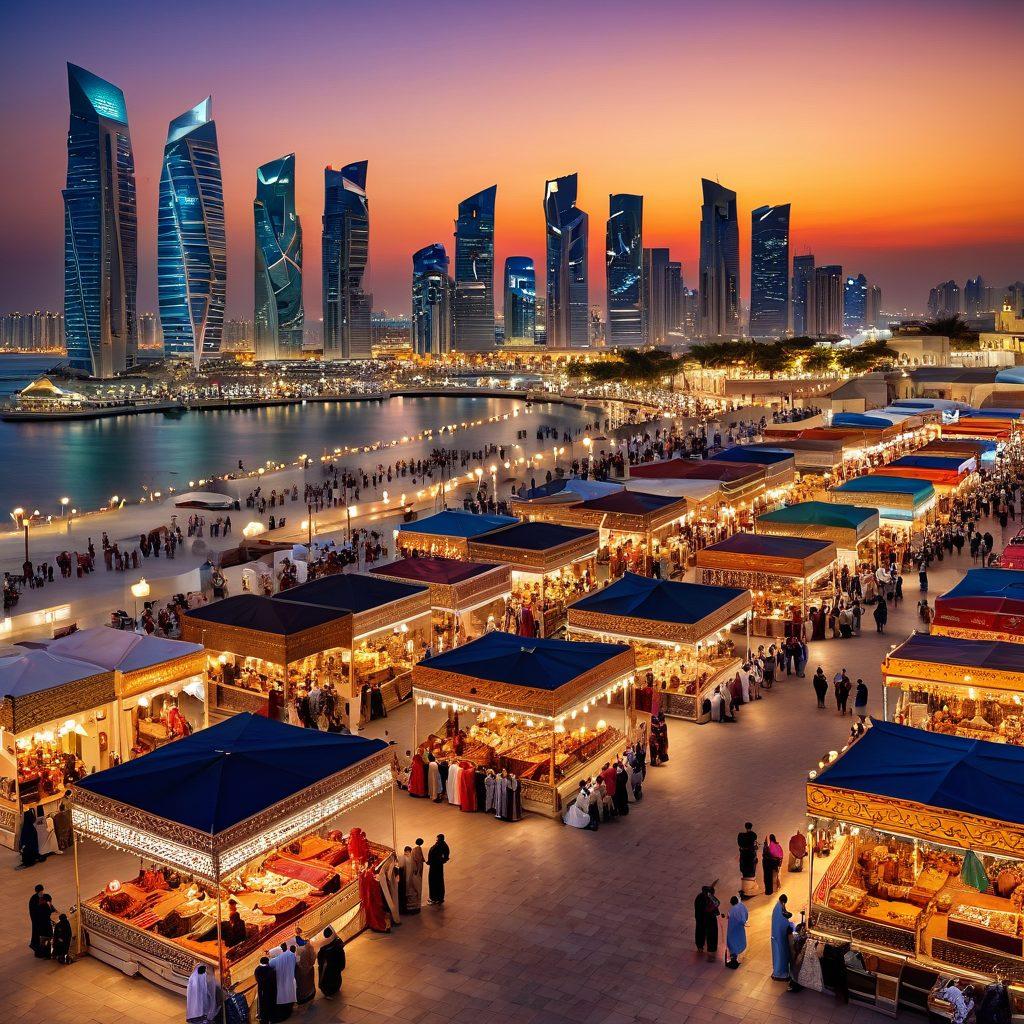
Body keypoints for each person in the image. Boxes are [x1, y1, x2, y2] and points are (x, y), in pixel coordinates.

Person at [316, 927, 346, 999]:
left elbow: (320, 958)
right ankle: (335, 989)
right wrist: (342, 965)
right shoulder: (338, 943)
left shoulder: (323, 947)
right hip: (336, 966)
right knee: (336, 977)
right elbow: (342, 955)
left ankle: (328, 992)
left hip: (327, 968)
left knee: (327, 980)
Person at [771, 894, 795, 981]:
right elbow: (781, 920)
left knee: (781, 953)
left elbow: (784, 914)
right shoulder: (779, 907)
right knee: (779, 954)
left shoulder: (779, 905)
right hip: (778, 936)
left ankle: (780, 971)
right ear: (783, 901)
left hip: (778, 935)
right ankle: (778, 974)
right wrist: (787, 924)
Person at [271, 942, 297, 1019]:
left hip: (281, 982)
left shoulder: (274, 961)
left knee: (283, 996)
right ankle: (289, 1008)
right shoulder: (291, 955)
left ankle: (286, 1011)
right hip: (290, 980)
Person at [726, 895, 749, 968]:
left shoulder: (732, 910)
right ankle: (734, 959)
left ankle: (733, 961)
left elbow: (729, 919)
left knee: (732, 944)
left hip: (732, 929)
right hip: (739, 929)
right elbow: (745, 916)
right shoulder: (742, 906)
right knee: (738, 942)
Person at [427, 833, 450, 905]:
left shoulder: (438, 846)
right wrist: (442, 861)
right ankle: (440, 898)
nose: (436, 840)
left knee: (433, 881)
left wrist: (430, 862)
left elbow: (432, 854)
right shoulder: (444, 845)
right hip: (438, 866)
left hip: (434, 866)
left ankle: (433, 898)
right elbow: (446, 856)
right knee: (439, 881)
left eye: (437, 839)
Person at [255, 956, 278, 1023]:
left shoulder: (257, 970)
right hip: (271, 991)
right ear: (267, 962)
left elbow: (258, 980)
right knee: (271, 1005)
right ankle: (272, 1019)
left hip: (262, 991)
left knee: (262, 1005)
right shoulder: (270, 970)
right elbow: (274, 980)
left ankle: (264, 1019)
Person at [737, 823, 759, 897]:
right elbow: (755, 846)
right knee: (751, 871)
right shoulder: (753, 835)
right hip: (751, 856)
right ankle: (749, 890)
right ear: (751, 827)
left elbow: (740, 845)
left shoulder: (740, 836)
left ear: (745, 827)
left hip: (743, 856)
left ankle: (744, 889)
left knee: (745, 871)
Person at [294, 938, 316, 1006]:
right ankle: (310, 996)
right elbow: (313, 959)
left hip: (301, 972)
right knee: (309, 983)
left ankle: (304, 998)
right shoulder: (309, 947)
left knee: (303, 985)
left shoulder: (298, 950)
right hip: (309, 969)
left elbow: (297, 962)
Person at [28, 884, 44, 953]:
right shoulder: (34, 898)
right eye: (41, 891)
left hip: (37, 918)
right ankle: (34, 944)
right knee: (36, 931)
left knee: (37, 931)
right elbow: (36, 909)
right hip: (36, 918)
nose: (42, 892)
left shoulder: (36, 897)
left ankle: (36, 943)